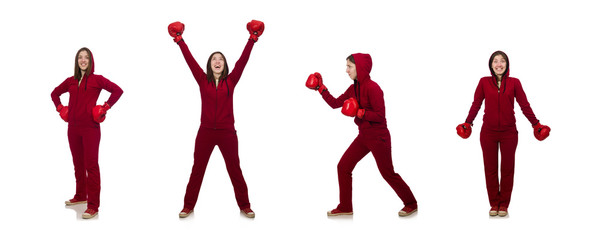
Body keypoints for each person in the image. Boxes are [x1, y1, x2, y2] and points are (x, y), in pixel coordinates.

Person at [168, 20, 264, 218]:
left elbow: (243, 61)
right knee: (197, 169)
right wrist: (180, 41)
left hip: (227, 132)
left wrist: (252, 40)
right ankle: (188, 206)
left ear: (224, 64)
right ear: (210, 64)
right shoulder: (202, 80)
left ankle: (245, 206)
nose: (217, 61)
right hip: (205, 132)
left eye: (220, 59)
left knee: (234, 169)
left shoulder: (231, 80)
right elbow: (190, 60)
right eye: (214, 59)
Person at [306, 53, 418, 217]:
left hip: (379, 137)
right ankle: (345, 206)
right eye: (346, 66)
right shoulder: (353, 88)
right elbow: (335, 103)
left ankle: (411, 203)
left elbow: (380, 116)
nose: (346, 70)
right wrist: (320, 88)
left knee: (387, 173)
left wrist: (359, 112)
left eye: (349, 66)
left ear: (360, 68)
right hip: (364, 136)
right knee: (343, 166)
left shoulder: (374, 88)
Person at [456, 50, 551, 217]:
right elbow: (476, 104)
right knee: (490, 169)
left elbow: (524, 105)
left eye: (502, 61)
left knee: (507, 169)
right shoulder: (484, 82)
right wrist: (467, 122)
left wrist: (536, 124)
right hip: (488, 133)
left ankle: (504, 204)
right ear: (491, 65)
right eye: (495, 61)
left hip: (509, 133)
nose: (499, 64)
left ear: (507, 65)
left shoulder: (515, 82)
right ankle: (494, 204)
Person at [51, 47, 124, 219]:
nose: (83, 60)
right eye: (80, 58)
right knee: (78, 164)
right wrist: (60, 108)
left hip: (91, 129)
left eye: (86, 58)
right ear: (77, 61)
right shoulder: (70, 81)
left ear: (91, 61)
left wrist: (105, 108)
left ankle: (93, 205)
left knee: (91, 166)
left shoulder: (97, 80)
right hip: (73, 129)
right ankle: (80, 196)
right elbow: (54, 93)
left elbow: (118, 90)